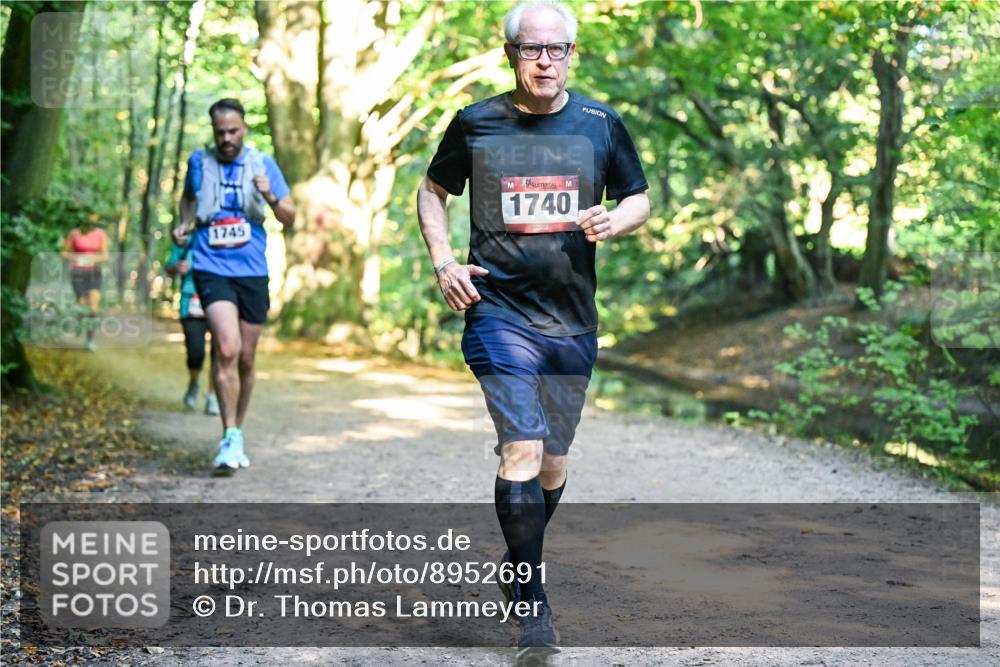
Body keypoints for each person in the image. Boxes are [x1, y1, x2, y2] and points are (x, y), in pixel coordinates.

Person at [417, 0, 649, 656]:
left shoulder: (601, 123)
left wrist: (618, 220)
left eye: (557, 50)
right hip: (497, 312)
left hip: (572, 320)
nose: (544, 60)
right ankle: (534, 603)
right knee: (520, 446)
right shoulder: (476, 123)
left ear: (572, 55)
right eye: (531, 49)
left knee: (553, 460)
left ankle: (517, 559)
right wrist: (443, 262)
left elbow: (639, 195)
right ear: (511, 53)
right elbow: (432, 191)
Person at [172, 98, 295, 476]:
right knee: (226, 347)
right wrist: (183, 225)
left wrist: (271, 195)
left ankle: (237, 431)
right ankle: (228, 436)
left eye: (233, 131)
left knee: (245, 359)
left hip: (252, 271)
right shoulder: (198, 162)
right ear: (213, 132)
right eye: (220, 132)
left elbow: (290, 217)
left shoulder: (263, 164)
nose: (226, 138)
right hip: (211, 266)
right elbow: (188, 201)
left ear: (244, 129)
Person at [165, 235, 219, 415]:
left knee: (219, 352)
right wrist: (176, 267)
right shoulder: (185, 240)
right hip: (191, 302)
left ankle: (212, 396)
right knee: (196, 353)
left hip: (219, 300)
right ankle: (194, 382)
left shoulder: (220, 237)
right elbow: (169, 267)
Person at [61, 213, 109, 352]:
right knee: (82, 303)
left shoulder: (100, 234)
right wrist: (76, 258)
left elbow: (105, 255)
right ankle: (79, 323)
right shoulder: (74, 233)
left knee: (93, 304)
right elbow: (63, 252)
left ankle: (90, 339)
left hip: (94, 272)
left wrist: (93, 259)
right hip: (78, 273)